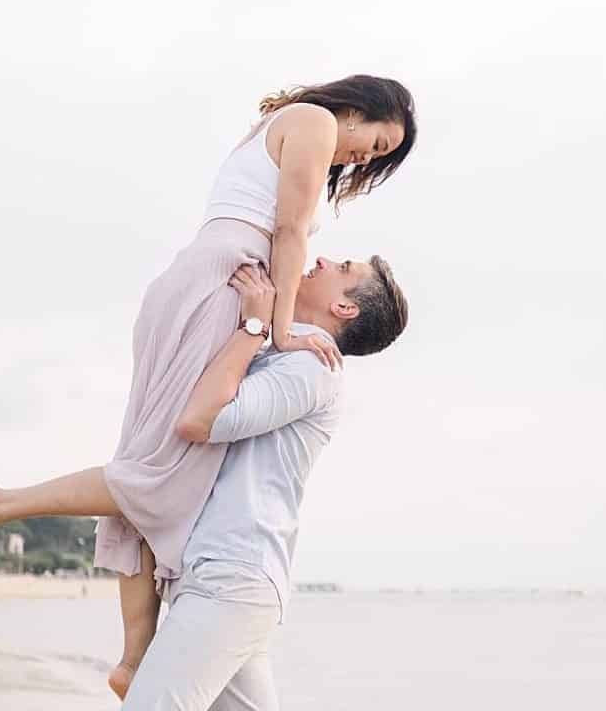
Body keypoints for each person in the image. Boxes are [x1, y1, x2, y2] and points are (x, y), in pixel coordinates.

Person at [0, 74, 417, 698]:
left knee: (160, 471)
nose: (366, 157)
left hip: (210, 285)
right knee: (158, 471)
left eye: (377, 158)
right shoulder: (314, 122)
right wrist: (277, 329)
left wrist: (267, 326)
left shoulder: (285, 129)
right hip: (221, 288)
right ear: (358, 107)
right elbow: (288, 235)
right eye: (375, 141)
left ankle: (135, 655)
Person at [122, 256, 407, 709]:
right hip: (232, 574)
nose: (322, 260)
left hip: (231, 575)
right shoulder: (290, 352)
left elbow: (198, 420)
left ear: (344, 307)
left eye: (343, 266)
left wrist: (255, 323)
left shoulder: (312, 366)